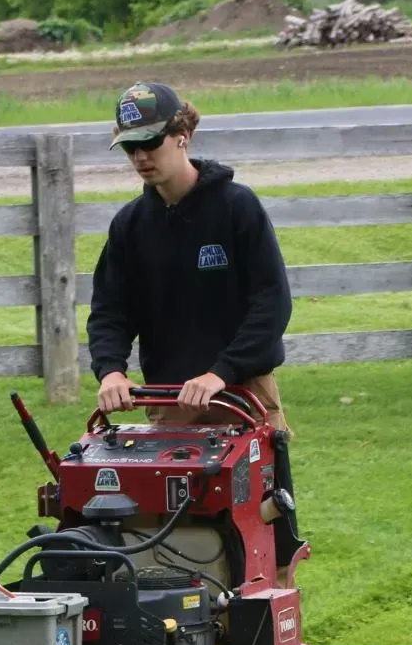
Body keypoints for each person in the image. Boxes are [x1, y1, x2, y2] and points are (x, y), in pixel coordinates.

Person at [87, 81, 293, 435]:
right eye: (129, 147)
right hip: (169, 402)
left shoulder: (237, 207)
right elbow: (110, 312)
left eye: (150, 143)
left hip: (245, 395)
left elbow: (272, 303)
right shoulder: (129, 225)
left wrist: (220, 373)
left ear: (182, 134)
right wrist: (111, 371)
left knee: (260, 493)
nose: (140, 158)